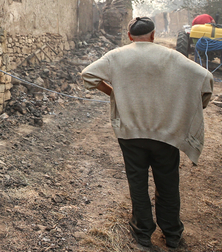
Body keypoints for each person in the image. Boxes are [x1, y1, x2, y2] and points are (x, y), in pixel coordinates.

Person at [81, 17, 214, 249]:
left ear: (130, 36)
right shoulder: (172, 57)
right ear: (153, 35)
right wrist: (195, 105)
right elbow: (206, 79)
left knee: (137, 181)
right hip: (165, 133)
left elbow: (88, 75)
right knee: (168, 182)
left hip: (131, 133)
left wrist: (112, 92)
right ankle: (172, 234)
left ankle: (143, 232)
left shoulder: (116, 56)